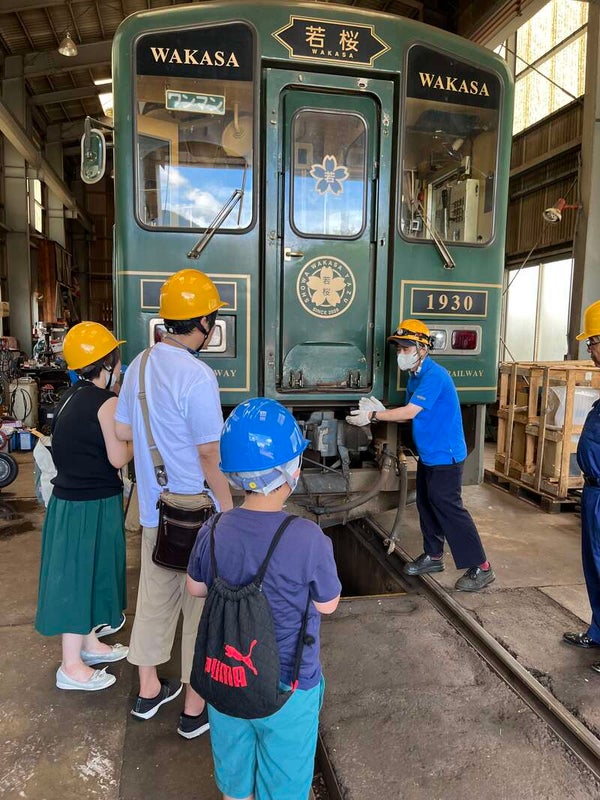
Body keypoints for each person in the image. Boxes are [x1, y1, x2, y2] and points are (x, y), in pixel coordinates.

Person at [187, 397, 341, 800]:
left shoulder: (213, 528)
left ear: (234, 475)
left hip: (227, 679)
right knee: (283, 787)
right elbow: (327, 604)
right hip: (290, 686)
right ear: (292, 470)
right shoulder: (308, 538)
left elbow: (195, 588)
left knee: (235, 784)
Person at [115, 268, 233, 738]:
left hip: (155, 509)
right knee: (199, 609)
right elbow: (209, 453)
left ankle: (148, 692)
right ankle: (193, 710)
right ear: (204, 322)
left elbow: (123, 430)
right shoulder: (198, 375)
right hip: (198, 513)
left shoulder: (139, 365)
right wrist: (229, 508)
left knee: (153, 599)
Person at [346, 318, 494, 592]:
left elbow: (410, 411)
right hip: (430, 453)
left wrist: (373, 415)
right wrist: (383, 412)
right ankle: (434, 556)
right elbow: (411, 414)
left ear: (423, 349)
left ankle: (481, 567)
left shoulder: (435, 376)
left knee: (450, 508)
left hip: (445, 455)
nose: (401, 354)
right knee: (426, 503)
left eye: (406, 348)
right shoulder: (416, 376)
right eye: (399, 349)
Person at [35, 321, 132, 691]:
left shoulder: (70, 396)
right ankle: (71, 666)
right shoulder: (106, 402)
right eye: (117, 360)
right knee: (79, 579)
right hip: (88, 505)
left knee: (89, 574)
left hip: (73, 501)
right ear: (106, 364)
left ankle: (89, 645)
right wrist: (142, 439)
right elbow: (117, 458)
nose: (119, 367)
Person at [563, 300, 600, 664]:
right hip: (593, 491)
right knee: (594, 565)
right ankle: (598, 631)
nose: (589, 349)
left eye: (593, 342)